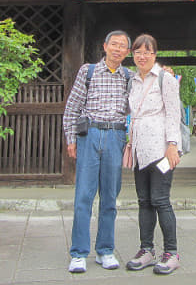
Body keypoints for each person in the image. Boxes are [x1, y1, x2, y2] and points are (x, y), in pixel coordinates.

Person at [63, 30, 131, 274]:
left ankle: (105, 250)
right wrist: (71, 140)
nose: (117, 49)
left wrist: (166, 75)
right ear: (105, 46)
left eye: (122, 46)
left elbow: (146, 95)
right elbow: (72, 106)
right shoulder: (88, 71)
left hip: (115, 136)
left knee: (110, 197)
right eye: (114, 44)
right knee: (84, 195)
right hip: (89, 135)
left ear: (127, 52)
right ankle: (79, 253)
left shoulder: (129, 76)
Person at [125, 34, 182, 275]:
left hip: (161, 151)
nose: (142, 56)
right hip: (140, 149)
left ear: (155, 55)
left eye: (147, 51)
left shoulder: (164, 78)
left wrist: (172, 145)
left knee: (160, 200)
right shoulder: (132, 80)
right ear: (133, 55)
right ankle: (146, 250)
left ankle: (171, 253)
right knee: (143, 201)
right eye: (138, 52)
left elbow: (173, 113)